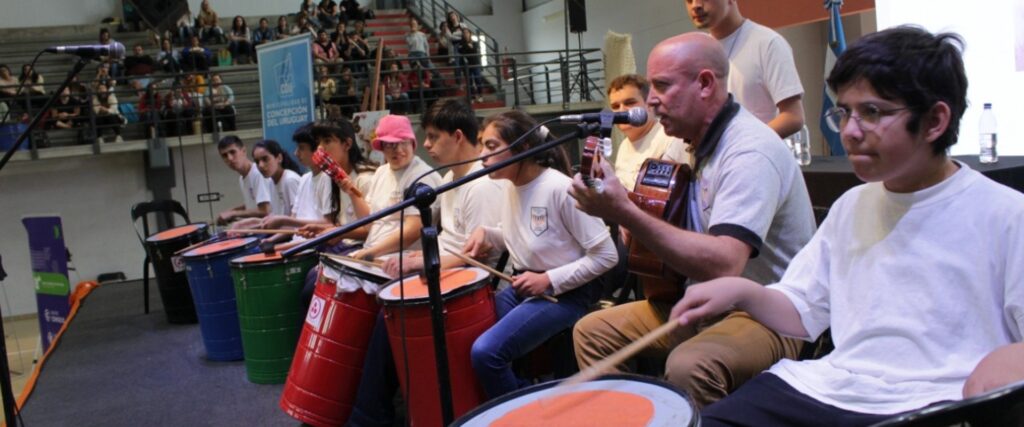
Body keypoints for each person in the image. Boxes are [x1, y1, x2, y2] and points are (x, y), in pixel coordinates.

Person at [671, 26, 1024, 426]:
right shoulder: (853, 204)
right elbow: (804, 313)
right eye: (845, 112)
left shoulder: (1006, 215)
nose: (850, 132)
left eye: (872, 112)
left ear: (935, 121)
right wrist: (740, 290)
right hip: (827, 386)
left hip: (930, 400)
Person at [568, 32, 815, 409]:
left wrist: (624, 212)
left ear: (704, 84)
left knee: (689, 365)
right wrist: (617, 201)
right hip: (699, 298)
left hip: (766, 310)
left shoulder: (750, 150)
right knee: (591, 331)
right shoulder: (678, 143)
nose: (651, 101)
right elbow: (656, 212)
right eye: (651, 88)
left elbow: (725, 264)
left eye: (663, 87)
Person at [348, 99, 507, 426]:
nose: (428, 145)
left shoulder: (480, 185)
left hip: (477, 290)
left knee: (393, 315)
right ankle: (372, 411)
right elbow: (452, 241)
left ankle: (369, 416)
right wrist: (416, 258)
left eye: (434, 137)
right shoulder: (451, 177)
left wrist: (416, 264)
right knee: (389, 311)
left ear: (459, 136)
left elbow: (477, 258)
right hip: (455, 276)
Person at [464, 110, 618, 399]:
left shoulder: (560, 188)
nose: (482, 156)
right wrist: (487, 232)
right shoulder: (513, 186)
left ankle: (532, 412)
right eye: (482, 145)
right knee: (469, 332)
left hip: (566, 294)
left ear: (522, 148)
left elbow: (607, 254)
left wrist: (548, 279)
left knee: (486, 353)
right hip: (525, 285)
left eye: (491, 146)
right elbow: (527, 238)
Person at [684, 0, 805, 138]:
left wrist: (743, 146)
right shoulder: (699, 51)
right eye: (689, 0)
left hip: (757, 155)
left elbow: (793, 117)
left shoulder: (768, 43)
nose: (695, 6)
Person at [607, 73, 690, 190]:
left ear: (649, 105)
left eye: (630, 103)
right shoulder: (623, 146)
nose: (621, 111)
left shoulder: (671, 138)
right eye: (615, 106)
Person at [216, 135, 274, 225]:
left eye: (232, 152)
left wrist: (233, 213)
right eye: (225, 155)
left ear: (243, 151)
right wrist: (232, 211)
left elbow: (265, 210)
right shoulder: (242, 178)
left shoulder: (257, 173)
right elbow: (252, 205)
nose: (230, 158)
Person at [253, 140, 303, 217]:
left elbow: (300, 217)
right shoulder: (270, 181)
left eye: (265, 159)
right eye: (257, 162)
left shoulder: (290, 180)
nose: (261, 165)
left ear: (279, 158)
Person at [405, 18, 443, 83]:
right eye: (411, 24)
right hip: (412, 54)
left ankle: (439, 79)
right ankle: (419, 83)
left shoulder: (422, 34)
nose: (413, 25)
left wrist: (428, 55)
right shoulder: (407, 35)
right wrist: (412, 33)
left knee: (431, 67)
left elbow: (426, 46)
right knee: (416, 69)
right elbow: (410, 43)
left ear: (417, 25)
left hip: (422, 53)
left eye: (414, 24)